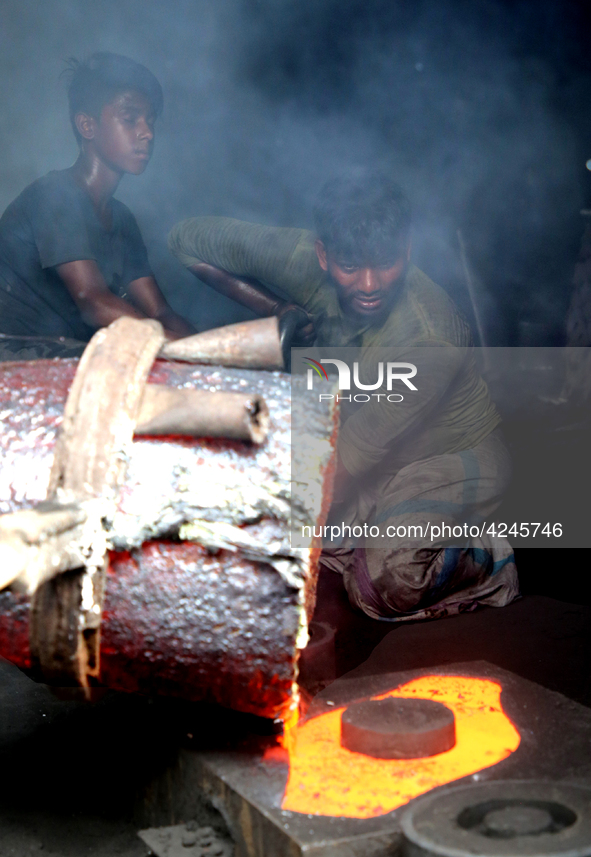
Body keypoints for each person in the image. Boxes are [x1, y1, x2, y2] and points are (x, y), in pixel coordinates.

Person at [168, 172, 519, 622]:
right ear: (322, 255)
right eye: (350, 267)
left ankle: (486, 554)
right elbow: (187, 241)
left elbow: (348, 456)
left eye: (385, 263)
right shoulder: (303, 260)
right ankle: (380, 526)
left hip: (451, 457)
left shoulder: (430, 337)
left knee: (384, 582)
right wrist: (278, 310)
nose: (369, 284)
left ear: (407, 251)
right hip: (370, 457)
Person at [0, 52, 195, 346]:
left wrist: (212, 353)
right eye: (130, 119)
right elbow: (93, 301)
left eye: (150, 121)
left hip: (66, 357)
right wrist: (185, 351)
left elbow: (159, 311)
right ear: (87, 126)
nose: (147, 132)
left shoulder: (123, 219)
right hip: (13, 359)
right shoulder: (53, 196)